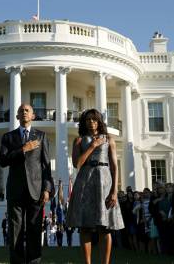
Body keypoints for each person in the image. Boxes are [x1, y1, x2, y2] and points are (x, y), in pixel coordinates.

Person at [66, 109, 124, 264]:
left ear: (99, 121)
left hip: (104, 184)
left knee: (104, 227)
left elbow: (114, 166)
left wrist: (115, 190)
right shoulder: (79, 141)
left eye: (94, 119)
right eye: (88, 119)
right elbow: (77, 163)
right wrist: (92, 146)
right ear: (84, 122)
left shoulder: (109, 139)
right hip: (84, 183)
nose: (91, 121)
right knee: (85, 227)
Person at [0, 104, 53, 264]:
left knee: (34, 229)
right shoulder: (8, 137)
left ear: (33, 116)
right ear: (17, 117)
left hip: (36, 190)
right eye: (21, 111)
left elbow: (46, 164)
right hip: (16, 189)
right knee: (15, 230)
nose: (24, 112)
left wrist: (46, 189)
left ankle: (33, 262)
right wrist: (23, 149)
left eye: (27, 110)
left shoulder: (41, 136)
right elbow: (2, 161)